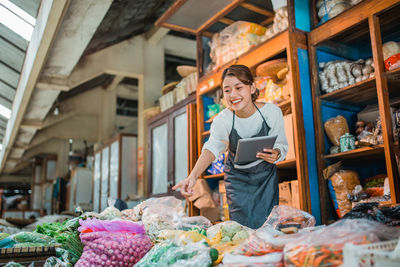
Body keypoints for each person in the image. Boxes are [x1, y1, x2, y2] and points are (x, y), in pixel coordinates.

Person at [173, 64, 288, 229]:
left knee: (268, 225)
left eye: (239, 87)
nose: (233, 95)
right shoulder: (223, 119)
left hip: (265, 178)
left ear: (252, 87)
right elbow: (212, 148)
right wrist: (192, 177)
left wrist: (276, 153)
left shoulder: (272, 112)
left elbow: (281, 144)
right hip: (237, 181)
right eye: (227, 90)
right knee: (241, 228)